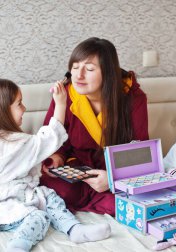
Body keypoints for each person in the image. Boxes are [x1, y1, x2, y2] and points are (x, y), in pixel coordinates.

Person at [0, 78, 111, 252]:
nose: (24, 108)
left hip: (18, 193)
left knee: (50, 197)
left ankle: (75, 229)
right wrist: (61, 103)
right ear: (1, 112)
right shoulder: (13, 146)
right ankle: (18, 245)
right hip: (1, 204)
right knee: (38, 217)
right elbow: (50, 138)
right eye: (19, 104)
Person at [40, 37, 149, 216]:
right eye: (75, 67)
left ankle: (103, 196)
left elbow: (140, 151)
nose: (78, 75)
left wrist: (112, 179)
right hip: (77, 169)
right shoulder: (64, 95)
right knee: (58, 190)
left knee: (135, 200)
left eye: (89, 69)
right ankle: (99, 198)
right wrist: (56, 158)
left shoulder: (134, 98)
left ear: (108, 73)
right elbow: (54, 139)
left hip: (115, 170)